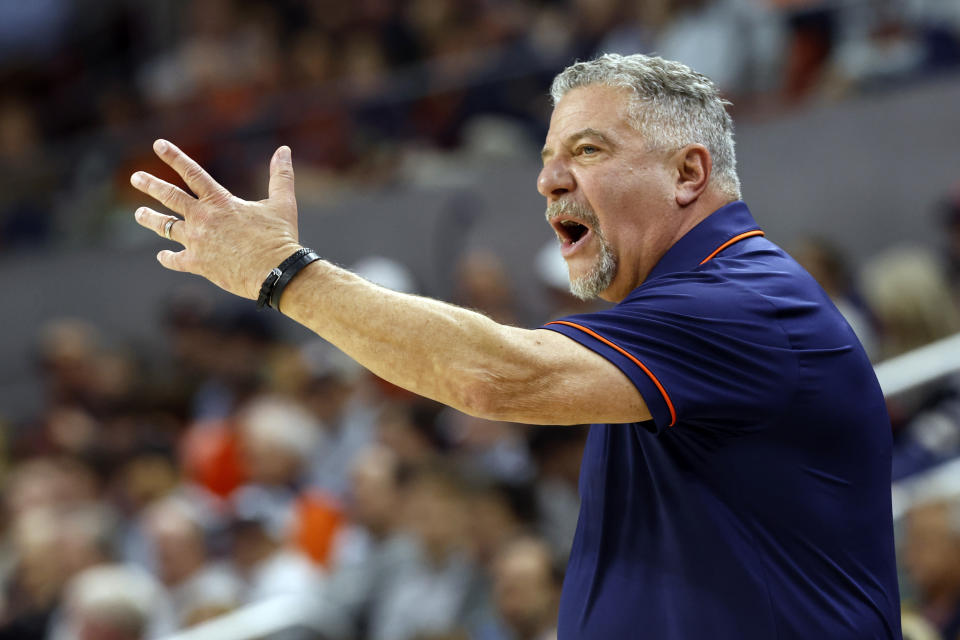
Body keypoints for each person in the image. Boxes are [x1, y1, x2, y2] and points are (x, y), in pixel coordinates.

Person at [130, 53, 901, 638]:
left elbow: (493, 377)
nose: (549, 181)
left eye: (589, 151)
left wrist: (284, 275)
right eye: (546, 157)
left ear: (688, 173)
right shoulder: (685, 308)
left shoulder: (743, 301)